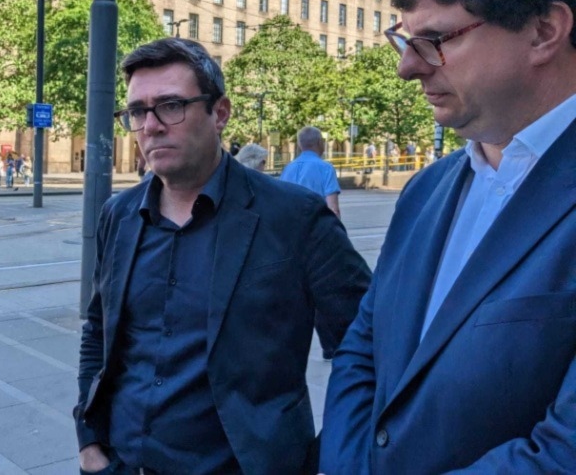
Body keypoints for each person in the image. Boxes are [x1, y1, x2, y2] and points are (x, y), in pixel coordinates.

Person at [320, 0, 576, 473]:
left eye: (436, 39)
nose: (407, 68)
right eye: (407, 40)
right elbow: (363, 353)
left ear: (544, 30)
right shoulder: (426, 191)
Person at [75, 38, 371, 474]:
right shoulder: (118, 215)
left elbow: (367, 346)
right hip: (122, 464)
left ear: (220, 112)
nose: (151, 126)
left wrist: (330, 456)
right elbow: (98, 330)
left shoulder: (296, 218)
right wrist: (89, 441)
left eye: (171, 105)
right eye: (137, 111)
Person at [280, 126, 341, 219]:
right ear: (320, 143)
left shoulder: (288, 169)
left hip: (292, 226)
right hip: (317, 226)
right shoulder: (326, 168)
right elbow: (333, 208)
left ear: (300, 145)